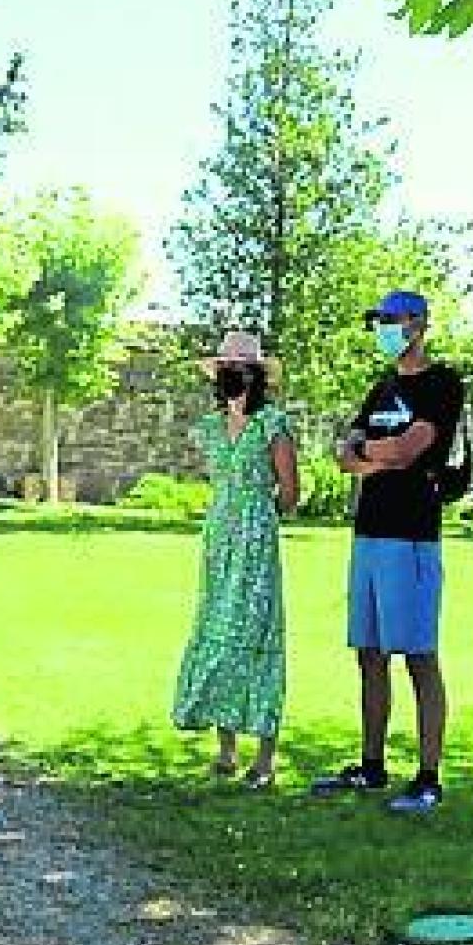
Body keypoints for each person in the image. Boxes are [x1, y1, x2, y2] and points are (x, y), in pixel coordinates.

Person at [309, 290, 465, 814]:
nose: (384, 329)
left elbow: (408, 449)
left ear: (419, 324)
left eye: (392, 321)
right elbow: (344, 455)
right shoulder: (382, 388)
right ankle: (371, 764)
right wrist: (377, 456)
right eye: (379, 322)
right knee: (369, 653)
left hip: (412, 538)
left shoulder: (442, 384)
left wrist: (373, 454)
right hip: (369, 535)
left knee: (418, 654)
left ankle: (427, 775)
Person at [172, 331, 301, 789]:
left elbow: (290, 493)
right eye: (226, 369)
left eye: (240, 369)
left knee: (256, 636)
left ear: (256, 376)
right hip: (218, 541)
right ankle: (226, 749)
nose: (232, 376)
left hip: (255, 544)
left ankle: (265, 757)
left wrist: (255, 515)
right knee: (218, 633)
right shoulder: (210, 428)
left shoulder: (273, 426)